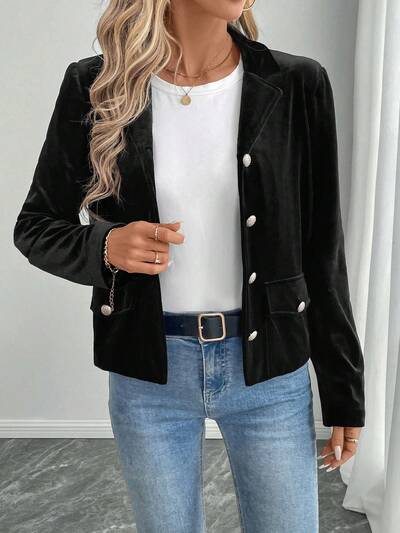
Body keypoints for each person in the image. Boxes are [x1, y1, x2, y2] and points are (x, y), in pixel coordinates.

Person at [13, 1, 366, 531]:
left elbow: (322, 248)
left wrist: (343, 388)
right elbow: (35, 226)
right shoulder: (96, 85)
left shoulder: (296, 83)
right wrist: (106, 246)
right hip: (148, 372)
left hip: (269, 371)